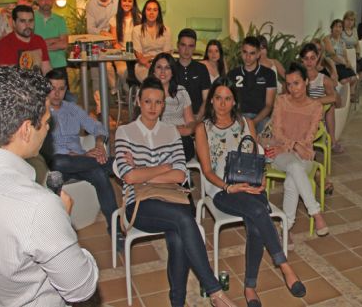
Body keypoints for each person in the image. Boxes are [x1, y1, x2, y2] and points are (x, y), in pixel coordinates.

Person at [0, 67, 98, 306]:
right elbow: (80, 288)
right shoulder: (39, 206)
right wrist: (62, 223)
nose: (49, 128)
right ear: (26, 130)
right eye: (47, 121)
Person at [114, 77, 237, 307]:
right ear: (139, 102)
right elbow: (128, 176)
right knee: (183, 219)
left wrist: (143, 171)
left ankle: (177, 303)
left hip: (172, 196)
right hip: (139, 204)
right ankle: (215, 292)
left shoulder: (171, 132)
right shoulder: (125, 132)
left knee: (179, 235)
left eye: (158, 102)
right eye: (148, 101)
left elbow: (180, 174)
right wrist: (161, 168)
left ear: (163, 105)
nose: (153, 107)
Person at [195, 77, 307, 306]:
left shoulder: (246, 124)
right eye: (218, 98)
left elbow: (258, 157)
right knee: (258, 213)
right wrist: (229, 186)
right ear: (212, 100)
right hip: (223, 190)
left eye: (228, 98)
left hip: (251, 186)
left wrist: (262, 178)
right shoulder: (202, 128)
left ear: (234, 101)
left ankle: (250, 288)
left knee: (256, 219)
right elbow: (206, 171)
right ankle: (284, 267)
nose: (222, 104)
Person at [43, 68, 120, 238]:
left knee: (99, 174)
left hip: (81, 162)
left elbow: (98, 128)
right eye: (52, 88)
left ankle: (116, 230)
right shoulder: (40, 112)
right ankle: (114, 164)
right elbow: (44, 149)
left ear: (66, 90)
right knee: (58, 162)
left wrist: (99, 144)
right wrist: (84, 156)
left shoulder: (73, 109)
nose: (57, 93)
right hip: (58, 165)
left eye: (61, 89)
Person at [267, 63, 329, 238]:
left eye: (297, 83)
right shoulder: (281, 101)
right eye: (289, 84)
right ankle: (316, 213)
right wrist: (293, 145)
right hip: (281, 154)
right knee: (294, 167)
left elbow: (309, 138)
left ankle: (285, 227)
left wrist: (296, 146)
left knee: (292, 178)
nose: (293, 88)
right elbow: (276, 132)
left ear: (307, 82)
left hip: (305, 156)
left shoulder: (315, 107)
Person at [300, 42, 343, 180]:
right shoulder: (297, 78)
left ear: (318, 58)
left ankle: (308, 162)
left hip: (316, 121)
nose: (309, 62)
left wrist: (314, 101)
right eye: (306, 58)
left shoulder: (323, 79)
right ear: (301, 60)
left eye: (312, 58)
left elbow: (334, 97)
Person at [149, 53, 197, 160]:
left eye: (167, 68)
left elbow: (190, 121)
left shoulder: (181, 92)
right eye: (159, 67)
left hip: (180, 138)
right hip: (156, 137)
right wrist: (172, 129)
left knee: (182, 144)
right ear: (153, 70)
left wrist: (188, 130)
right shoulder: (146, 92)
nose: (162, 72)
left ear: (172, 72)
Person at [227, 36, 277, 134]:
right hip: (239, 117)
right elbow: (230, 102)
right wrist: (241, 120)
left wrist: (253, 122)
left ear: (258, 54)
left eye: (252, 53)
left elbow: (269, 105)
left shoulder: (269, 74)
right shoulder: (232, 74)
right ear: (241, 52)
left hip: (261, 118)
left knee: (268, 131)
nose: (248, 57)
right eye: (245, 52)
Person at [86, 0, 119, 105]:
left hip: (116, 42)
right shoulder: (91, 4)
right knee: (95, 75)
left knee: (119, 69)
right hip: (98, 43)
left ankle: (116, 92)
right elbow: (90, 28)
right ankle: (100, 108)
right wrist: (101, 32)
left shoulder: (117, 0)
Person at [0, 5, 51, 74]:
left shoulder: (39, 40)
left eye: (30, 21)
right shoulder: (4, 44)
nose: (27, 25)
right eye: (22, 21)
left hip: (36, 83)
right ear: (14, 23)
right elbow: (6, 78)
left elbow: (46, 69)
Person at [132, 0, 172, 82]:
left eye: (155, 10)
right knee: (152, 80)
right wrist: (150, 62)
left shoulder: (166, 30)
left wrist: (150, 57)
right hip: (143, 66)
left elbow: (166, 55)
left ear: (158, 13)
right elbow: (140, 58)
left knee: (165, 77)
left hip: (162, 65)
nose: (151, 13)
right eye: (149, 9)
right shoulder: (137, 30)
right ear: (144, 12)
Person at [108, 0, 140, 94]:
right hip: (121, 53)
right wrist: (125, 51)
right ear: (120, 2)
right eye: (124, 0)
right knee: (122, 71)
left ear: (133, 3)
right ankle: (126, 92)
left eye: (130, 1)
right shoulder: (114, 19)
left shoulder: (140, 18)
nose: (127, 3)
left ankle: (134, 94)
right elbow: (114, 42)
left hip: (137, 54)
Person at [34, 0, 68, 79]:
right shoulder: (30, 19)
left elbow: (64, 44)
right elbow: (30, 44)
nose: (46, 2)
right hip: (37, 66)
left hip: (58, 66)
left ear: (53, 0)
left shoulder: (60, 20)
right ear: (37, 0)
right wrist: (55, 40)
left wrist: (40, 46)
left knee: (62, 94)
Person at [176, 28, 211, 120]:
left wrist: (198, 118)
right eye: (183, 45)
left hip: (197, 118)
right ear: (177, 45)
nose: (186, 50)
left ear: (194, 48)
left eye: (190, 46)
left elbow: (206, 99)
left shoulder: (202, 69)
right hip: (175, 119)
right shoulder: (170, 69)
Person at [323, 19, 358, 96]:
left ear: (342, 29)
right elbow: (332, 55)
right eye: (336, 26)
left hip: (342, 64)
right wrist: (344, 62)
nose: (338, 29)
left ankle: (349, 95)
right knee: (345, 81)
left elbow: (345, 55)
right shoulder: (327, 39)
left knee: (354, 78)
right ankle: (343, 96)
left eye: (340, 27)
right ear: (332, 28)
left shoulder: (342, 41)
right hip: (332, 64)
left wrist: (348, 63)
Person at [341, 11, 362, 86]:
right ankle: (351, 87)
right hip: (345, 55)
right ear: (344, 20)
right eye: (347, 19)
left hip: (354, 54)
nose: (349, 22)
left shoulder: (354, 30)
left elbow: (357, 43)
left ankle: (353, 85)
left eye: (352, 20)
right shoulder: (340, 30)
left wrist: (358, 53)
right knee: (356, 68)